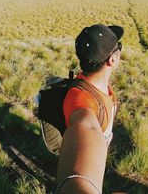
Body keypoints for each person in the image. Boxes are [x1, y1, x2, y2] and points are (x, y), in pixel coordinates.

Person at [55, 24, 124, 194]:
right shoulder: (83, 103)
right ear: (112, 60)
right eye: (119, 47)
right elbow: (86, 125)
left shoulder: (97, 86)